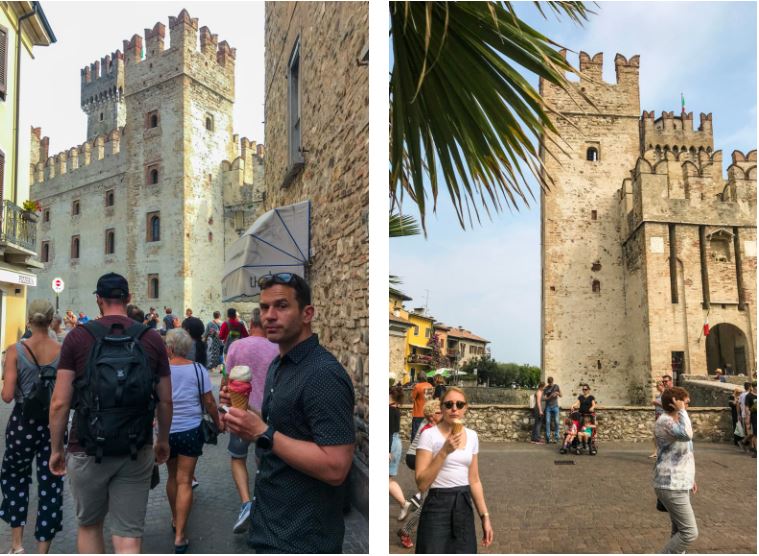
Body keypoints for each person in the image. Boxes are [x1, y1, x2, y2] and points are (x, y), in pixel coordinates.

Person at [220, 273, 355, 553]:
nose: (269, 315)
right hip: (271, 524)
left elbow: (336, 467)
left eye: (281, 306)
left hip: (303, 538)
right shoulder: (279, 364)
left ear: (307, 314)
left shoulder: (323, 374)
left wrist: (262, 432)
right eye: (265, 307)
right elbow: (281, 427)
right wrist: (247, 417)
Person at [48, 273, 172, 554]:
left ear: (98, 300)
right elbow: (165, 401)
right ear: (128, 299)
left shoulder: (77, 338)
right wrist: (162, 440)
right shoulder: (151, 338)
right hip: (136, 446)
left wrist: (57, 448)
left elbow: (59, 402)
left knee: (90, 526)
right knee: (128, 537)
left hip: (86, 446)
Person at [0, 300, 64, 554]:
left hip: (22, 423)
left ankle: (17, 545)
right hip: (52, 425)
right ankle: (42, 550)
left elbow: (6, 396)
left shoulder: (15, 350)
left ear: (29, 319)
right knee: (51, 484)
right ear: (51, 321)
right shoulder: (61, 350)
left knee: (15, 479)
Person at [414, 387, 493, 553]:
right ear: (441, 407)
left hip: (463, 503)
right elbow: (421, 484)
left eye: (459, 404)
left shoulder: (472, 436)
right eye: (449, 404)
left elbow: (474, 479)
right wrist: (444, 452)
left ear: (465, 408)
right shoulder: (429, 435)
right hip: (437, 504)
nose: (454, 409)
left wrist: (485, 517)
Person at [164, 329, 222, 553]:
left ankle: (175, 518)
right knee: (185, 480)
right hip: (190, 430)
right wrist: (217, 422)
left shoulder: (161, 371)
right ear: (188, 348)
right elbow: (209, 401)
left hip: (167, 431)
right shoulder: (198, 370)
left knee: (171, 477)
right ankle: (180, 536)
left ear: (169, 347)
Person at [222, 308, 278, 534]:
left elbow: (226, 380)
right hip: (266, 415)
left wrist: (221, 409)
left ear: (251, 324)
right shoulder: (276, 347)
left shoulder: (236, 346)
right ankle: (265, 504)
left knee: (237, 458)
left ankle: (246, 503)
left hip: (239, 412)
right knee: (263, 459)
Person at [653, 386, 698, 554]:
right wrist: (682, 412)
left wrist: (690, 478)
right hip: (670, 483)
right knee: (689, 533)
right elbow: (687, 435)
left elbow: (686, 451)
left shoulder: (677, 420)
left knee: (679, 531)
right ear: (675, 403)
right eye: (685, 402)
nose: (687, 405)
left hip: (679, 482)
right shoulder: (665, 421)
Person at [398, 399, 442, 549]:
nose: (443, 413)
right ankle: (406, 530)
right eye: (439, 412)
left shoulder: (434, 426)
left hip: (420, 457)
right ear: (431, 416)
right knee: (428, 498)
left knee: (426, 494)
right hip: (416, 457)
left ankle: (414, 501)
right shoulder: (428, 429)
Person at [389, 385, 410, 522]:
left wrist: (386, 450)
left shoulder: (390, 410)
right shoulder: (395, 409)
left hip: (391, 443)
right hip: (395, 442)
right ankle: (403, 503)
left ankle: (404, 503)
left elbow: (388, 431)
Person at [411, 371, 433, 442]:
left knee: (415, 433)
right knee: (426, 432)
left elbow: (411, 399)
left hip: (418, 413)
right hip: (427, 412)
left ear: (418, 378)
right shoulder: (430, 385)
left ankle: (413, 451)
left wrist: (412, 389)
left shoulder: (417, 386)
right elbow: (430, 398)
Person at [650, 381, 666, 458]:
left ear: (662, 386)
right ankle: (656, 452)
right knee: (656, 434)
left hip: (663, 415)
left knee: (663, 434)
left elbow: (667, 407)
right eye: (657, 386)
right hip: (658, 415)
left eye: (659, 385)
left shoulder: (665, 395)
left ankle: (663, 452)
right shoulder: (658, 395)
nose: (658, 387)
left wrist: (657, 403)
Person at [543, 376, 562, 443]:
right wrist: (550, 396)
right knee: (547, 422)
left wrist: (557, 393)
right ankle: (548, 437)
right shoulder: (546, 388)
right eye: (549, 383)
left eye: (551, 383)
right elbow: (545, 398)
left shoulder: (556, 386)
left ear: (553, 381)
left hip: (555, 406)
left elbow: (561, 395)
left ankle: (556, 437)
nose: (550, 384)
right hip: (548, 407)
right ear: (548, 382)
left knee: (557, 422)